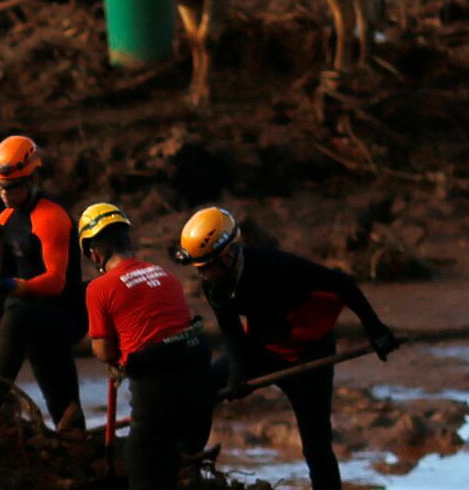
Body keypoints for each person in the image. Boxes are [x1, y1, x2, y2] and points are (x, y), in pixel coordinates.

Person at [178, 206, 401, 490]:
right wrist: (237, 373)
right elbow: (232, 333)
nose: (203, 275)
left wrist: (375, 329)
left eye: (206, 266)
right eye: (199, 268)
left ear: (228, 254)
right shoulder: (214, 287)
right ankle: (187, 472)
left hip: (308, 353)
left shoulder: (274, 264)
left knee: (316, 444)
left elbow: (341, 283)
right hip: (261, 348)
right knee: (202, 394)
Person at [79, 203, 214, 490]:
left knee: (143, 462)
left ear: (95, 252)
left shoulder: (98, 288)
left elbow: (104, 352)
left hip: (157, 381)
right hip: (199, 376)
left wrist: (119, 360)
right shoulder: (165, 274)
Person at [0, 135, 85, 431]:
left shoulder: (51, 217)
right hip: (32, 318)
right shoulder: (6, 219)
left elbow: (56, 281)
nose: (6, 194)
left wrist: (16, 288)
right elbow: (2, 274)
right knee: (61, 399)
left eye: (13, 187)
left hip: (63, 315)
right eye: (1, 187)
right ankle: (73, 434)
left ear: (32, 180)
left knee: (16, 318)